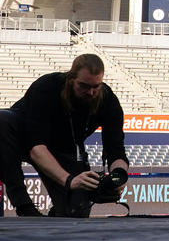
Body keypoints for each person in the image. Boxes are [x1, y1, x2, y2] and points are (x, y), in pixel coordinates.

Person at [0, 53, 128, 217]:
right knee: (2, 121)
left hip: (64, 148)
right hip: (24, 137)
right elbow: (36, 148)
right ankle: (24, 206)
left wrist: (118, 176)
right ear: (70, 79)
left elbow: (116, 150)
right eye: (83, 86)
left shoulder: (108, 100)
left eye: (95, 87)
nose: (90, 92)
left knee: (76, 212)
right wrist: (69, 180)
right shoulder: (47, 87)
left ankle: (58, 213)